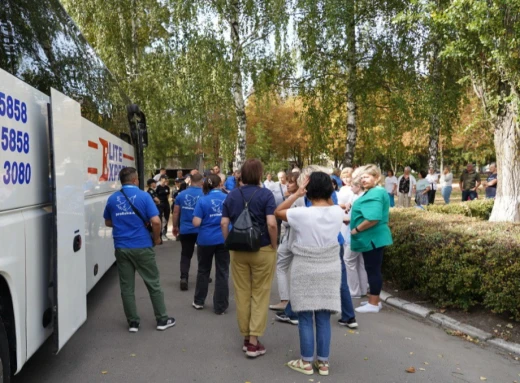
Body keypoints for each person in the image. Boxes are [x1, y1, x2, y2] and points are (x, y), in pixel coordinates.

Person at [275, 172, 343, 377]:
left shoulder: (301, 214)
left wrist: (297, 194)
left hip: (304, 268)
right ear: (330, 190)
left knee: (305, 316)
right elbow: (331, 204)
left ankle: (306, 362)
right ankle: (323, 364)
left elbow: (278, 211)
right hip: (330, 268)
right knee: (323, 317)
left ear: (308, 190)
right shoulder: (337, 212)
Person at [103, 167, 175, 332]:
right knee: (153, 283)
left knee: (126, 286)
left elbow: (108, 222)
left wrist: (123, 222)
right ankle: (162, 319)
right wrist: (156, 238)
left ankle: (133, 322)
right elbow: (156, 221)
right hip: (142, 245)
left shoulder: (113, 198)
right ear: (135, 180)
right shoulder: (144, 196)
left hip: (121, 247)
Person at [221, 159, 277, 358]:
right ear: (260, 175)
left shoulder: (232, 195)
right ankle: (254, 342)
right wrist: (274, 244)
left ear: (241, 175)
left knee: (242, 293)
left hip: (238, 250)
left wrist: (229, 244)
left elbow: (224, 222)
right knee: (260, 293)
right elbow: (271, 223)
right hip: (262, 248)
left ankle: (246, 337)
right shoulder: (266, 195)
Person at [350, 164, 393, 314]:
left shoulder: (375, 193)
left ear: (377, 178)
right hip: (373, 238)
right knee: (372, 269)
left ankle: (373, 304)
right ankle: (374, 300)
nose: (363, 179)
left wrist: (356, 229)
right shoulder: (374, 191)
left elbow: (373, 218)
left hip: (372, 238)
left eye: (367, 176)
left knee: (373, 270)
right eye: (361, 177)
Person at [191, 174, 230, 314]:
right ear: (220, 184)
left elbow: (196, 222)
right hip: (224, 239)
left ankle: (199, 301)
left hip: (205, 240)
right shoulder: (227, 198)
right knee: (222, 272)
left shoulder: (203, 200)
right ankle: (220, 306)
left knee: (203, 270)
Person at [269, 172, 303, 311]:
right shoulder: (297, 198)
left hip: (292, 237)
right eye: (287, 181)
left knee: (282, 267)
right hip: (293, 238)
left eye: (291, 182)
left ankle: (286, 301)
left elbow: (290, 220)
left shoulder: (297, 199)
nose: (287, 184)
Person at [172, 173, 204, 291]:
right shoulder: (204, 194)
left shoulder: (181, 195)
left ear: (190, 181)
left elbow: (175, 213)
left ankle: (184, 277)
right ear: (201, 182)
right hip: (201, 229)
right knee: (203, 253)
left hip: (185, 229)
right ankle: (203, 276)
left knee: (186, 254)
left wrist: (175, 226)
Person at [341, 179, 368, 298]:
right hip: (362, 234)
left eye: (352, 186)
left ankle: (354, 291)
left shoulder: (358, 200)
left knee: (348, 260)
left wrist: (344, 218)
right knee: (360, 262)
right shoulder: (362, 198)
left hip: (355, 235)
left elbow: (353, 218)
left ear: (358, 186)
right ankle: (362, 289)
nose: (351, 188)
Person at [155, 175, 171, 241]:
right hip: (160, 204)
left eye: (166, 179)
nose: (165, 180)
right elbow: (155, 196)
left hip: (166, 204)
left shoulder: (167, 187)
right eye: (164, 178)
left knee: (166, 218)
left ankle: (165, 233)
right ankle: (160, 234)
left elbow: (167, 196)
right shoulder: (158, 187)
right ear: (161, 179)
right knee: (160, 218)